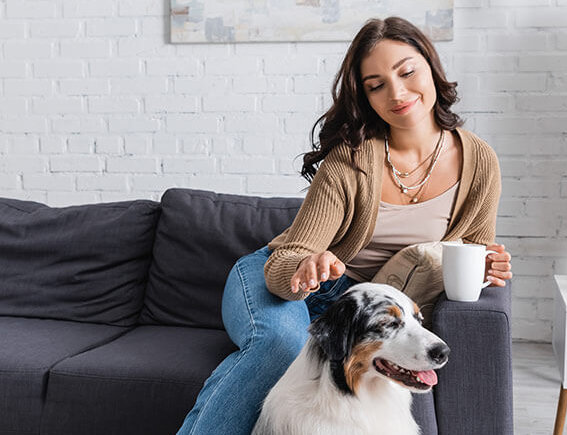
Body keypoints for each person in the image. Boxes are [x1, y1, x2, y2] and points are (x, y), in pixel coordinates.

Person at [177, 16, 513, 435]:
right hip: (279, 286)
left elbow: (471, 250)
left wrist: (488, 269)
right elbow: (287, 260)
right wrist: (304, 270)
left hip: (369, 313)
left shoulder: (480, 163)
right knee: (282, 346)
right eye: (376, 85)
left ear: (431, 65)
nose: (397, 92)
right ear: (365, 96)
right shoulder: (350, 162)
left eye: (407, 71)